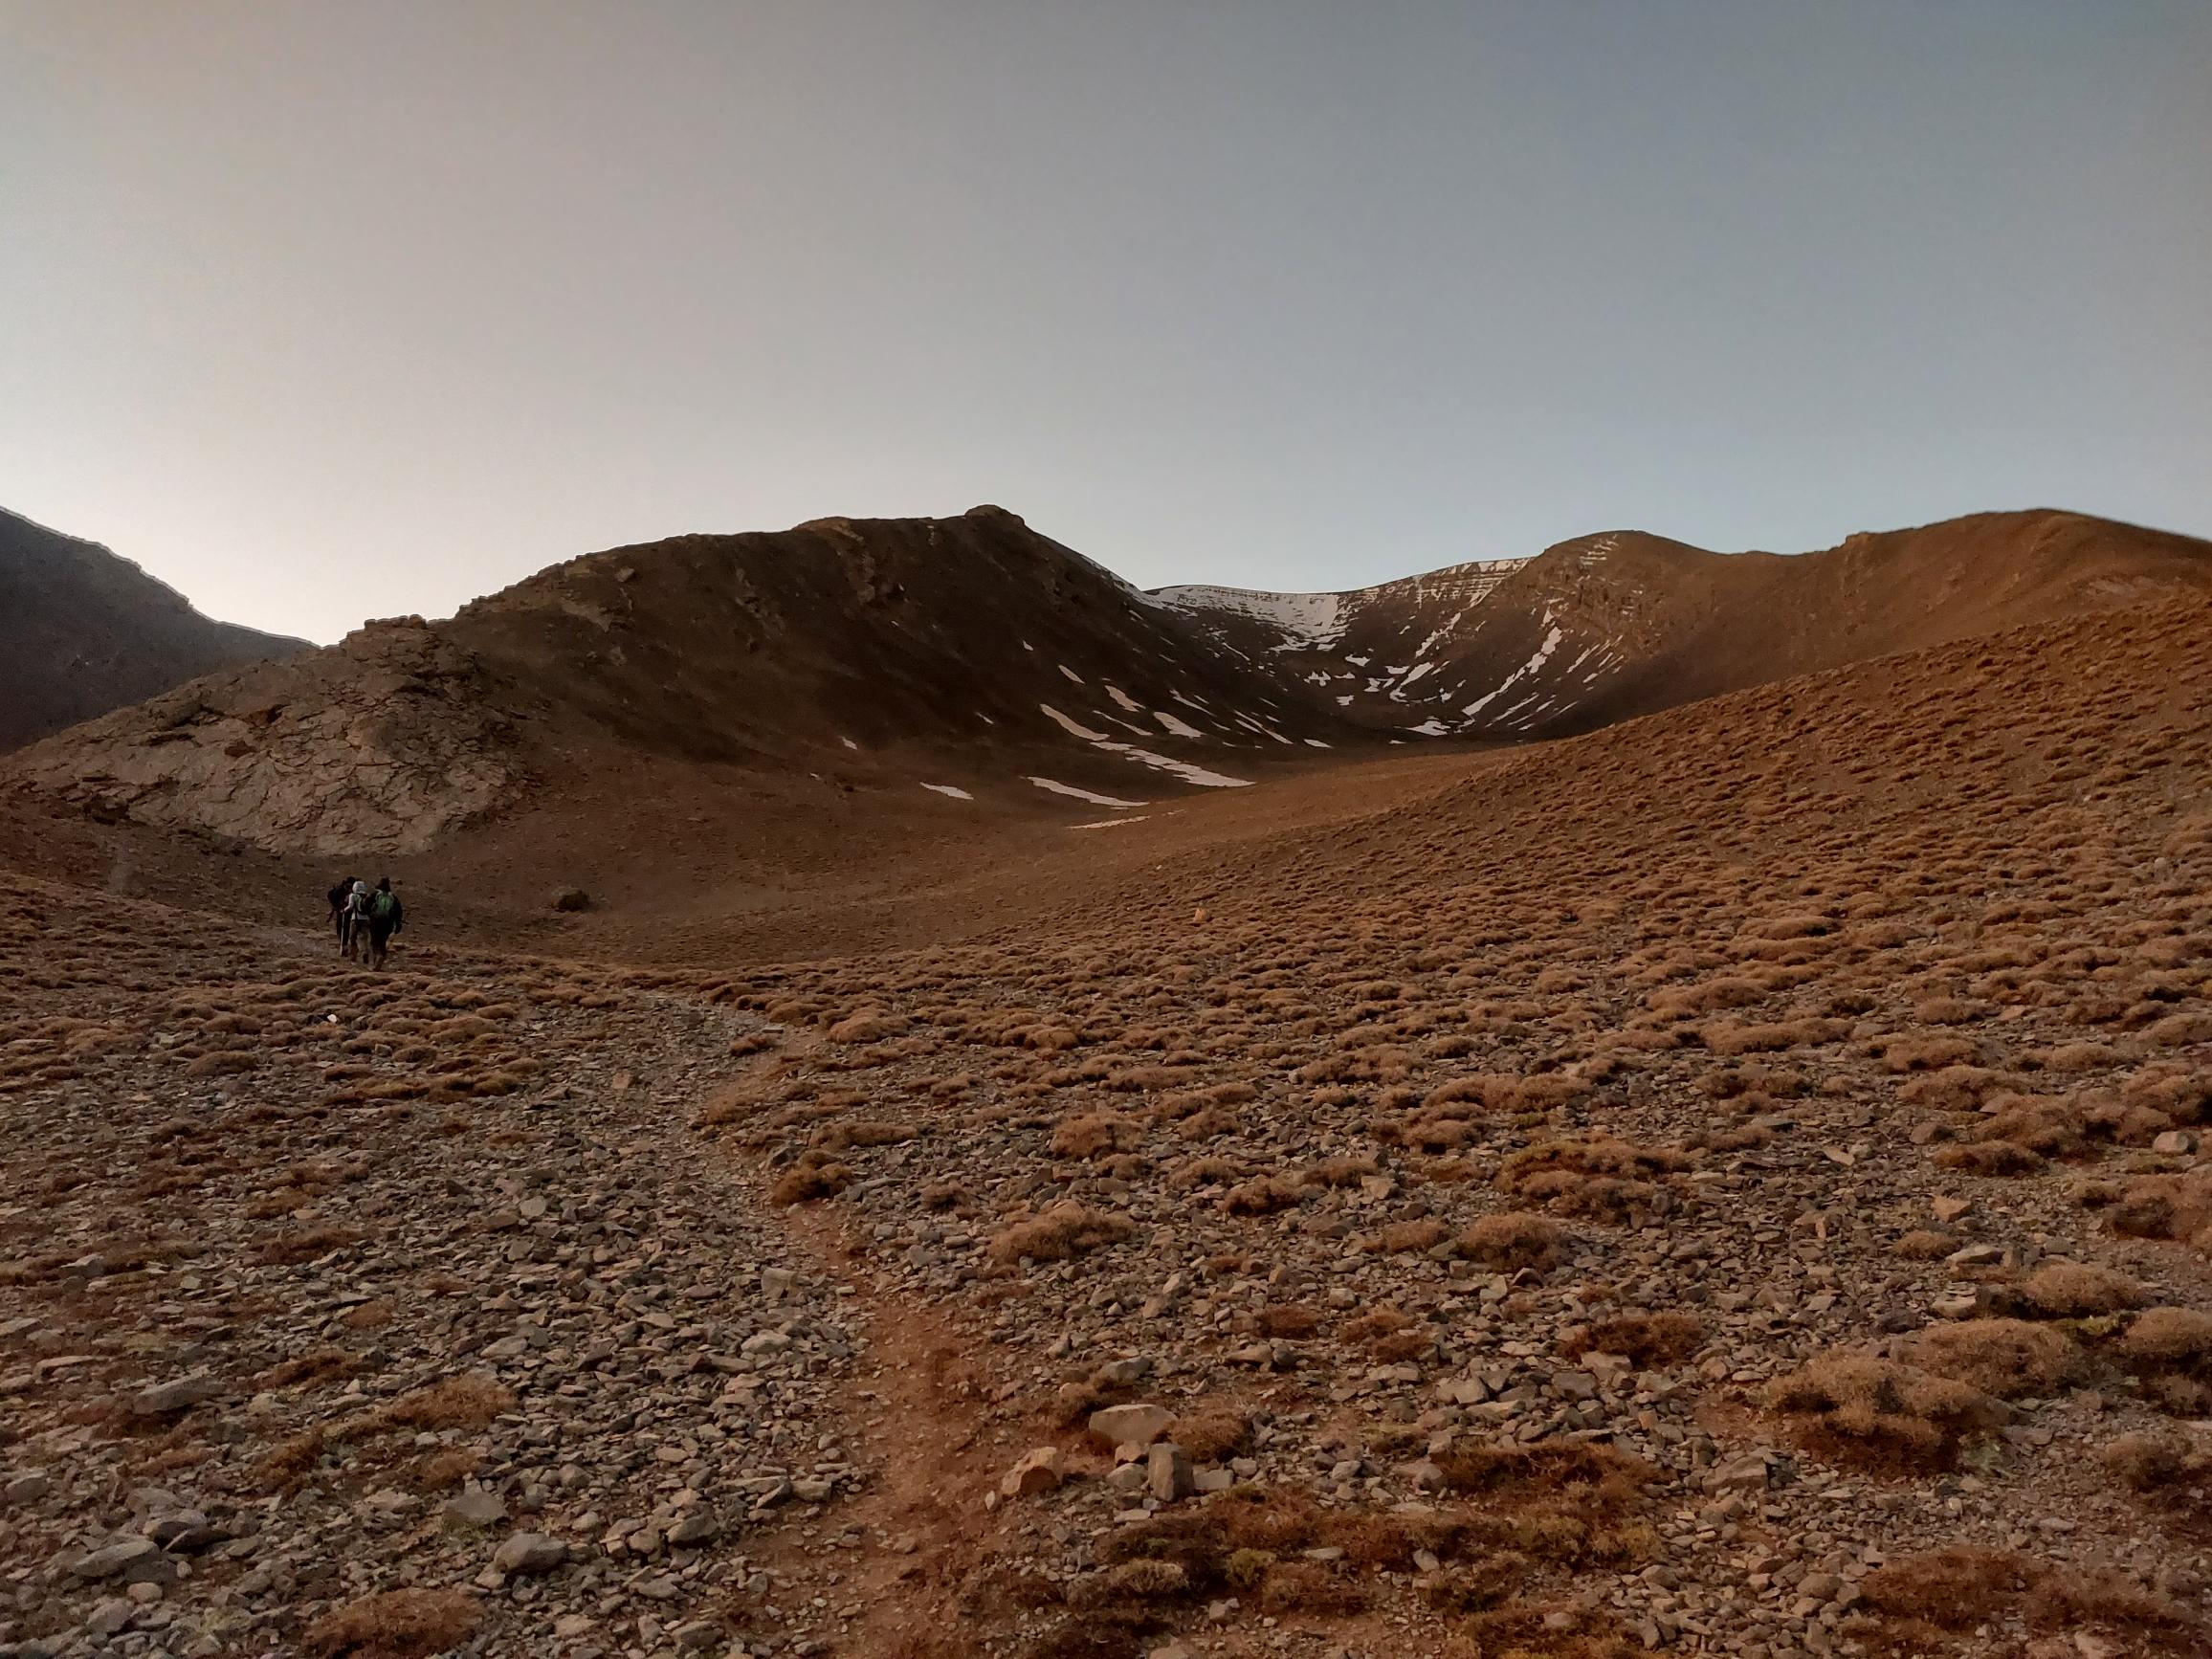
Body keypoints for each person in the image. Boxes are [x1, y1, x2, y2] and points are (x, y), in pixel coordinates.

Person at [364, 877, 405, 970]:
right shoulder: (393, 898)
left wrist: (369, 915)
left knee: (374, 941)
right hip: (388, 923)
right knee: (382, 941)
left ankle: (375, 960)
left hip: (376, 921)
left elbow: (365, 905)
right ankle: (381, 956)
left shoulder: (374, 895)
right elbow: (398, 912)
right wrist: (398, 924)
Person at [325, 875, 357, 954]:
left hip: (345, 911)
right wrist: (338, 905)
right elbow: (331, 896)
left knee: (344, 928)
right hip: (342, 911)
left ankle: (344, 945)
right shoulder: (341, 889)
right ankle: (343, 945)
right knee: (342, 928)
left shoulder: (345, 889)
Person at [343, 879, 372, 961]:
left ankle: (353, 955)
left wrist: (344, 910)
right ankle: (365, 952)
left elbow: (351, 906)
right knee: (364, 938)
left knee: (352, 938)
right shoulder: (367, 896)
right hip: (366, 919)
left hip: (355, 919)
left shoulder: (353, 895)